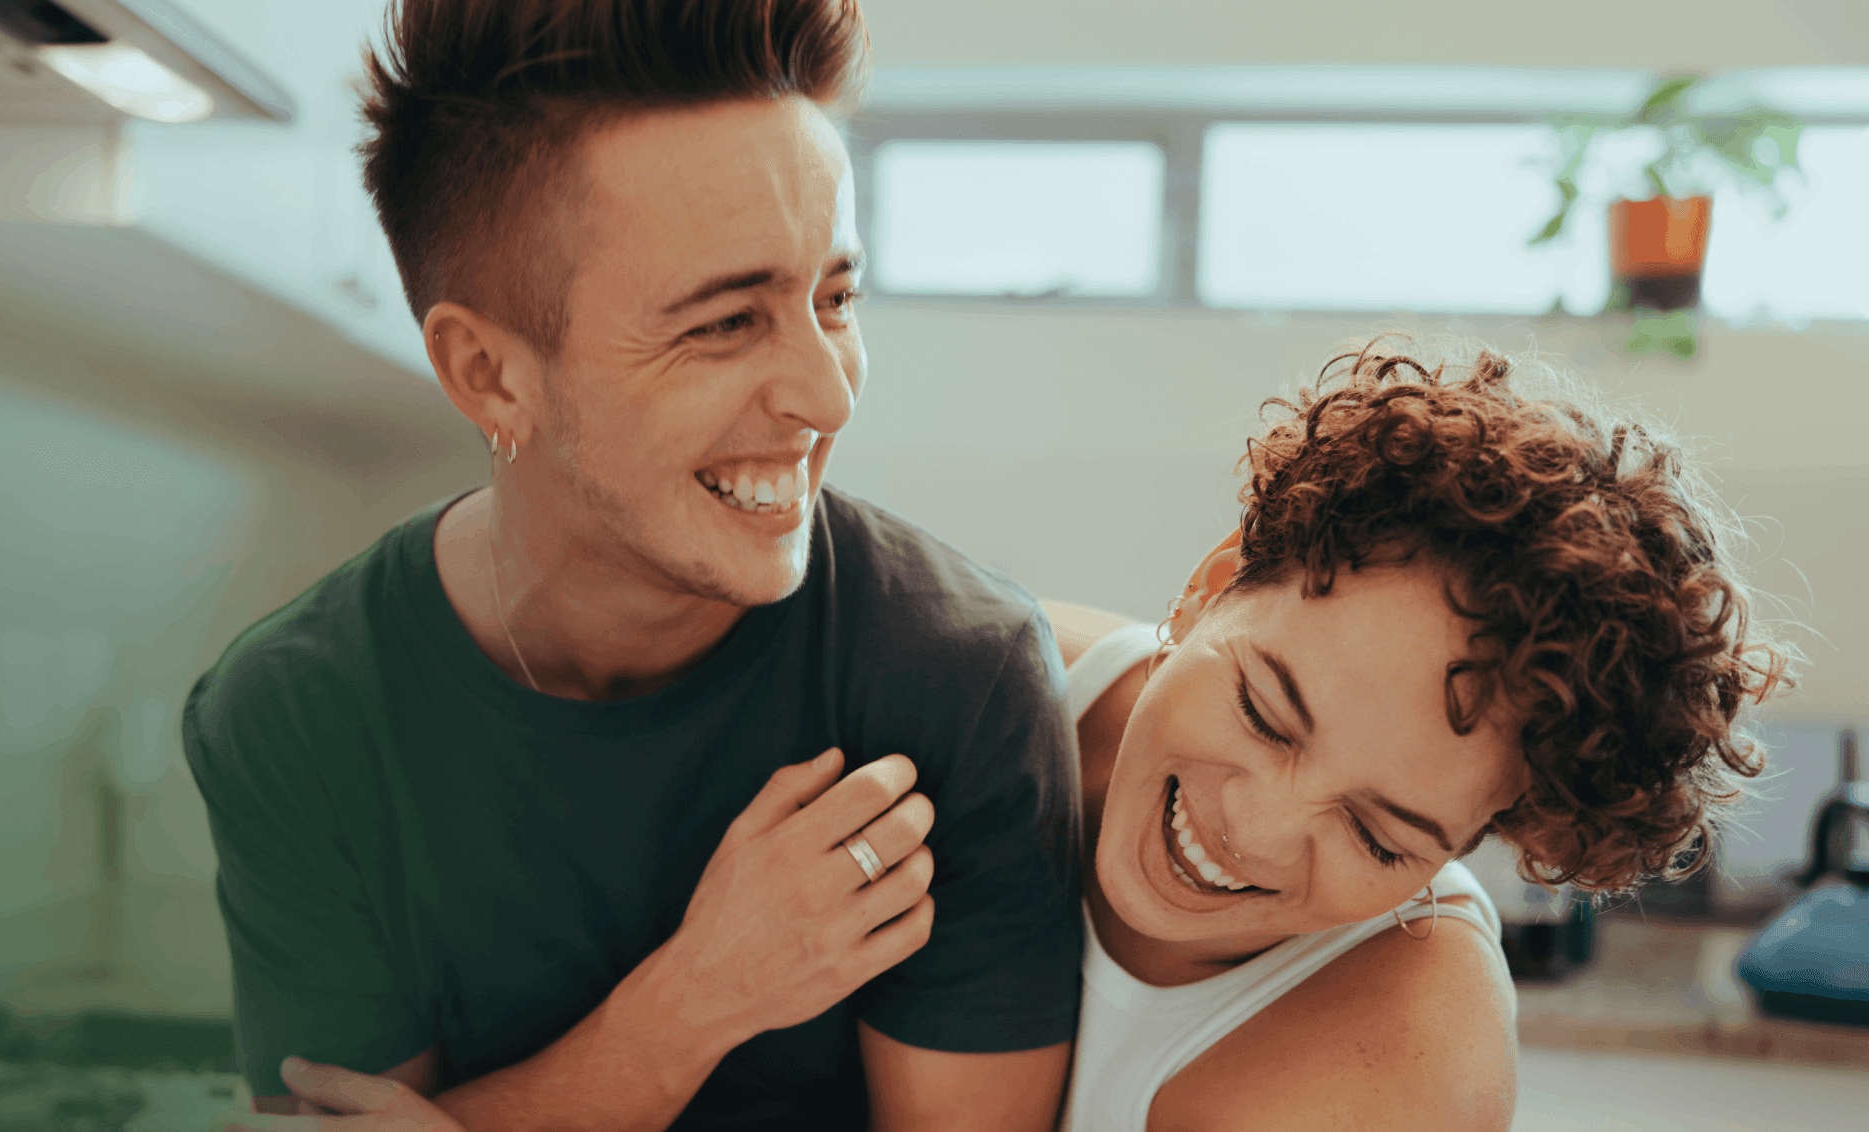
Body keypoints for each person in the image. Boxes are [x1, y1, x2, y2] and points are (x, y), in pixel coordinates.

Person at [184, 2, 1082, 1130]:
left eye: (835, 299)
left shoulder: (956, 679)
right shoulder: (297, 714)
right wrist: (692, 1003)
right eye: (723, 323)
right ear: (491, 376)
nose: (830, 393)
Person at [1045, 338, 1792, 1130]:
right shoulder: (992, 682)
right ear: (1212, 586)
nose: (1256, 831)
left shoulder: (1404, 1067)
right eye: (1264, 714)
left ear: (1473, 842)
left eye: (1377, 837)